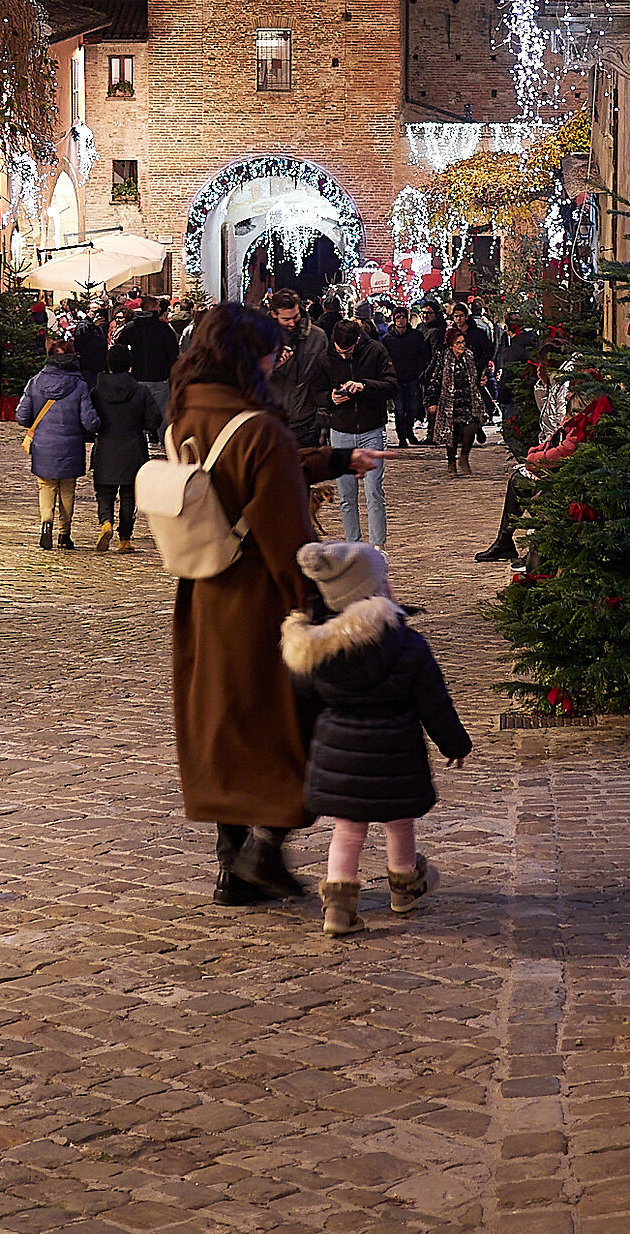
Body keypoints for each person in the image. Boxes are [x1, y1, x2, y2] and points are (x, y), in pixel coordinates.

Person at [164, 302, 381, 906]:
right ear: (247, 355)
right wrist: (317, 607)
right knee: (288, 723)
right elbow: (285, 530)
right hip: (260, 599)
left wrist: (334, 459)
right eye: (271, 349)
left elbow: (241, 472)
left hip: (206, 592)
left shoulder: (185, 412)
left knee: (225, 723)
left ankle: (232, 865)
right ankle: (264, 850)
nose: (278, 357)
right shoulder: (257, 425)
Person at [281, 539, 472, 938]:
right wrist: (455, 744)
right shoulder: (406, 644)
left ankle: (338, 906)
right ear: (375, 589)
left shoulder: (315, 652)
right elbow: (433, 701)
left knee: (348, 829)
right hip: (396, 752)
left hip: (340, 754)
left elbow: (303, 702)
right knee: (399, 823)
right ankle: (405, 886)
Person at [15, 337, 100, 550]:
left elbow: (22, 415)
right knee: (68, 488)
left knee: (46, 485)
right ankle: (64, 534)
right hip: (71, 445)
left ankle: (46, 522)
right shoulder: (80, 385)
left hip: (43, 444)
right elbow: (89, 421)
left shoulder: (35, 382)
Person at [324, 318, 396, 546]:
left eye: (348, 351)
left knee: (373, 490)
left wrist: (365, 386)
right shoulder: (326, 357)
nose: (344, 355)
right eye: (339, 351)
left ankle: (377, 546)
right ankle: (354, 544)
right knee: (346, 496)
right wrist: (330, 398)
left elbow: (392, 385)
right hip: (341, 430)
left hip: (371, 429)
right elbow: (315, 391)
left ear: (357, 340)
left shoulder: (376, 351)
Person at [90, 359, 162, 554]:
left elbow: (90, 419)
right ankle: (124, 539)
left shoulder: (97, 392)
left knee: (104, 492)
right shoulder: (140, 391)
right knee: (129, 495)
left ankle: (106, 522)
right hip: (133, 449)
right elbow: (154, 419)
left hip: (105, 447)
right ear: (129, 366)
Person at [266, 286, 332, 446]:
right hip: (270, 424)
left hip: (307, 424)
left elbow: (326, 377)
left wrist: (322, 417)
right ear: (274, 314)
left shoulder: (317, 337)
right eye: (286, 319)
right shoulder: (260, 338)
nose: (292, 323)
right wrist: (271, 365)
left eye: (295, 316)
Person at [110, 293, 179, 424]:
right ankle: (161, 442)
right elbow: (173, 352)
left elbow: (119, 349)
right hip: (160, 377)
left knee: (138, 415)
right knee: (162, 415)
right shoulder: (163, 329)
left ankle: (140, 442)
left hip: (137, 376)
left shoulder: (130, 327)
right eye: (158, 306)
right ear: (153, 308)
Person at [426, 328, 484, 473]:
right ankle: (451, 462)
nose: (461, 345)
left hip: (468, 400)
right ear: (451, 344)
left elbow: (477, 374)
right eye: (458, 343)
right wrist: (432, 401)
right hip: (449, 402)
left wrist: (481, 379)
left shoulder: (470, 356)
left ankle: (464, 457)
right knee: (450, 434)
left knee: (471, 427)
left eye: (463, 342)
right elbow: (434, 380)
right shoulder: (443, 358)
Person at [383, 306, 433, 449]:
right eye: (397, 317)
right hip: (396, 378)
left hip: (412, 377)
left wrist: (419, 369)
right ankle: (402, 436)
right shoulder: (388, 339)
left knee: (412, 407)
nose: (400, 320)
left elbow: (424, 354)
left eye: (403, 317)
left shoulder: (415, 336)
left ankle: (409, 431)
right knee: (399, 409)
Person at [74, 304, 110, 384]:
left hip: (99, 363)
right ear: (87, 312)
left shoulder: (99, 325)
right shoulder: (83, 325)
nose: (96, 314)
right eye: (94, 312)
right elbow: (80, 342)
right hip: (88, 364)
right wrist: (93, 326)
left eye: (99, 312)